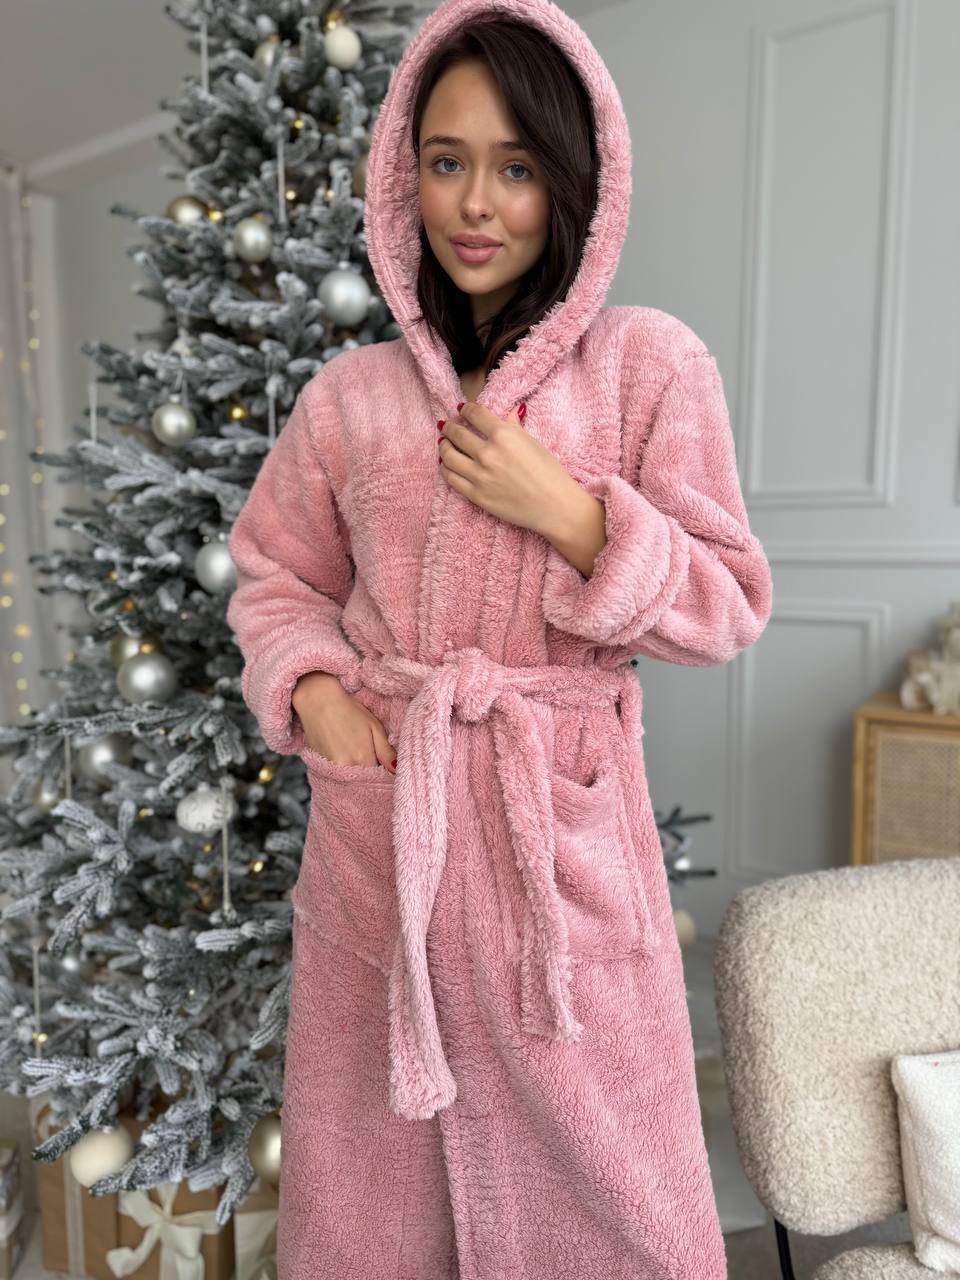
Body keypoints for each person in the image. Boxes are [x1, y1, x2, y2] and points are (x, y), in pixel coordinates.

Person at [225, 0, 774, 1275]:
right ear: (402, 176)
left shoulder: (648, 365)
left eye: (517, 167)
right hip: (388, 840)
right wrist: (315, 694)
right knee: (374, 1209)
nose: (477, 204)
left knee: (621, 1207)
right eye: (447, 160)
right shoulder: (349, 399)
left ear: (576, 182)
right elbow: (273, 575)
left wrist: (576, 518)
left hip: (558, 857)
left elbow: (726, 603)